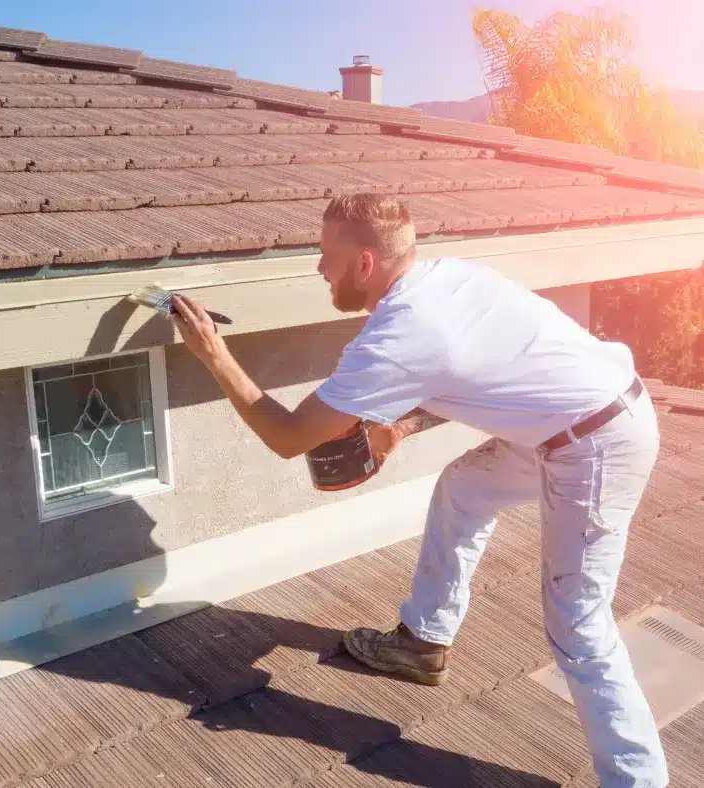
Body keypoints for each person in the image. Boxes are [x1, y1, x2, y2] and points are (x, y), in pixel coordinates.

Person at [170, 193, 667, 788]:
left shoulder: (397, 336)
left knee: (580, 626)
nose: (318, 267)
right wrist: (403, 424)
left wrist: (213, 354)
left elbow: (288, 436)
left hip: (595, 449)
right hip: (585, 417)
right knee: (465, 488)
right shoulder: (445, 277)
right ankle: (423, 642)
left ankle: (637, 780)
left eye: (327, 255)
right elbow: (482, 371)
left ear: (364, 266)